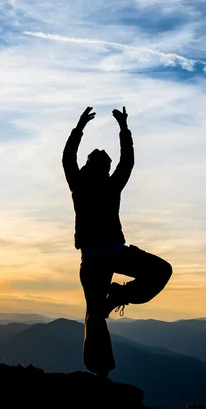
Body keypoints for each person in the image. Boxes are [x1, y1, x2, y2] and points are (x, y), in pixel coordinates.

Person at [62, 106, 172, 378]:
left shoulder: (82, 184)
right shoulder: (103, 185)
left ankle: (101, 369)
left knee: (95, 313)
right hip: (113, 254)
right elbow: (127, 161)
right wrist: (123, 128)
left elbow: (68, 158)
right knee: (160, 271)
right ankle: (119, 297)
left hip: (97, 258)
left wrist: (80, 128)